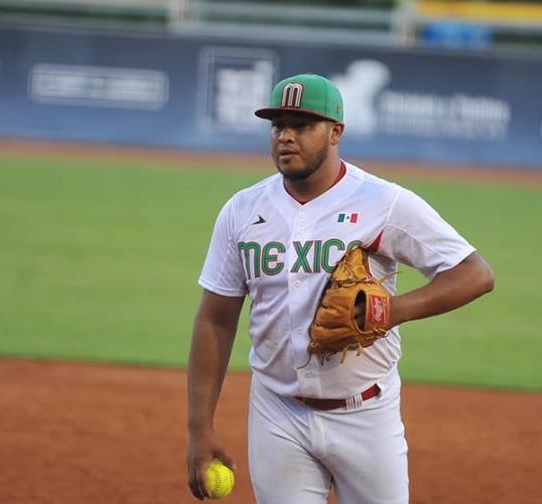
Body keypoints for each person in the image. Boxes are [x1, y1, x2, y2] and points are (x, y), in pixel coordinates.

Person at [186, 73, 494, 503]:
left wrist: (393, 311)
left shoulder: (382, 202)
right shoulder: (242, 211)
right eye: (278, 126)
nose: (286, 137)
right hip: (276, 413)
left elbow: (474, 273)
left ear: (335, 133)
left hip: (366, 415)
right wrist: (199, 430)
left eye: (302, 125)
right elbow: (215, 321)